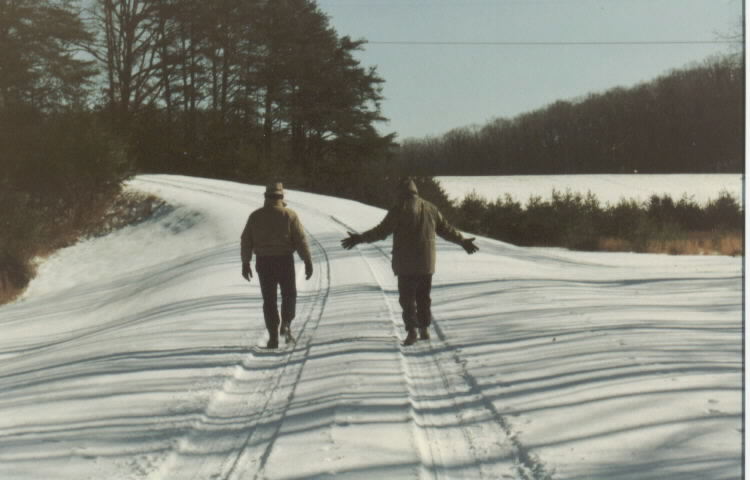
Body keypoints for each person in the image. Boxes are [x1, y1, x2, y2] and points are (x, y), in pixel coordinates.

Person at [341, 178, 478, 345]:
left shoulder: (399, 209)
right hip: (426, 263)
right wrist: (462, 241)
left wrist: (360, 238)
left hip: (406, 264)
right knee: (423, 297)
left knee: (407, 299)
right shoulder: (431, 208)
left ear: (400, 192)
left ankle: (412, 331)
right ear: (415, 190)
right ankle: (424, 329)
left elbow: (381, 231)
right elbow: (446, 229)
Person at [241, 182, 313, 349]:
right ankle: (286, 323)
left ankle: (273, 337)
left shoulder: (255, 216)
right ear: (282, 197)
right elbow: (300, 240)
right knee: (289, 294)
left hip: (264, 262)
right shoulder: (289, 215)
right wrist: (307, 260)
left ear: (266, 196)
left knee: (269, 300)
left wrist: (246, 263)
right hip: (284, 260)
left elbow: (246, 241)